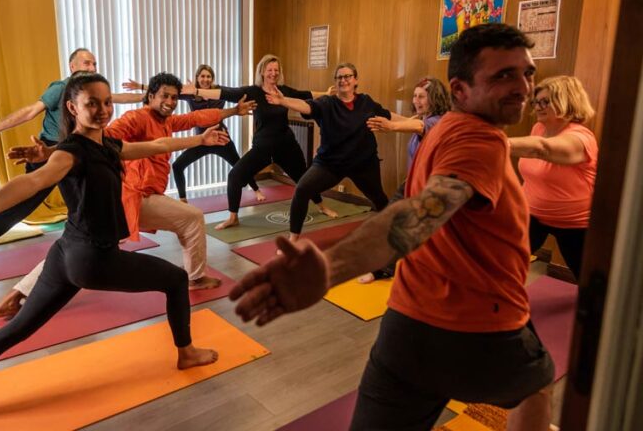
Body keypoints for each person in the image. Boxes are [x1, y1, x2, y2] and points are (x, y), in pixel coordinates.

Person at [229, 24, 555, 431]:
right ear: (459, 89)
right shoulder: (477, 141)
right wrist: (331, 268)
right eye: (503, 75)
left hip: (409, 321)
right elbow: (417, 214)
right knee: (537, 383)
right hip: (481, 325)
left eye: (528, 73)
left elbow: (405, 184)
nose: (523, 86)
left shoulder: (444, 127)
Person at [0, 73, 223, 425]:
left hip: (65, 252)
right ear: (72, 108)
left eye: (106, 102)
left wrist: (199, 138)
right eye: (91, 103)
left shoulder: (107, 145)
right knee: (174, 279)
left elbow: (154, 147)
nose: (102, 110)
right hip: (93, 259)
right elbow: (30, 182)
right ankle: (186, 353)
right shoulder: (71, 153)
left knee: (15, 330)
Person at [0, 72, 256, 318]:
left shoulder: (166, 122)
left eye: (174, 97)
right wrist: (52, 152)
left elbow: (195, 119)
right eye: (164, 95)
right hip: (132, 197)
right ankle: (195, 278)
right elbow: (97, 138)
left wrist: (232, 110)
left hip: (143, 197)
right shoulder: (137, 118)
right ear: (150, 96)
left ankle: (18, 294)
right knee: (188, 219)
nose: (170, 102)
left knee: (74, 250)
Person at [0, 48, 144, 267]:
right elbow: (31, 111)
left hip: (76, 152)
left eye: (94, 64)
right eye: (87, 63)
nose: (92, 68)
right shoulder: (60, 89)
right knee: (19, 206)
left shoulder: (90, 92)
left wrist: (149, 95)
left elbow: (120, 98)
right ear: (72, 66)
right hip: (49, 153)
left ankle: (105, 243)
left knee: (94, 194)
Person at [184, 54, 337, 231]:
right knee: (235, 176)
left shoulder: (283, 91)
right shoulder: (254, 92)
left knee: (303, 178)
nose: (273, 73)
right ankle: (233, 217)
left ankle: (321, 206)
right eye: (269, 70)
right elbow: (226, 92)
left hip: (286, 146)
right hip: (262, 147)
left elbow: (306, 95)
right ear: (262, 72)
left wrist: (325, 94)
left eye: (276, 70)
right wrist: (196, 91)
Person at [264, 62, 391, 243]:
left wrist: (411, 123)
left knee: (379, 199)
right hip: (330, 163)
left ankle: (392, 234)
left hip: (363, 163)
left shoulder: (366, 102)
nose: (343, 80)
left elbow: (389, 116)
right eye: (339, 77)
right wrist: (283, 101)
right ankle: (293, 239)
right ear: (335, 82)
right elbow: (307, 107)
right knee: (302, 190)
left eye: (347, 76)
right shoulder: (327, 103)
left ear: (355, 80)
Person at [124, 64, 265, 203]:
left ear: (212, 79)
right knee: (177, 166)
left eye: (209, 76)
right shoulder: (191, 94)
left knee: (239, 165)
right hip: (201, 140)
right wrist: (141, 86)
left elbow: (235, 94)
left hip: (221, 138)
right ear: (197, 78)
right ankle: (183, 199)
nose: (206, 79)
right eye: (202, 76)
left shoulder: (218, 91)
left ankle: (256, 190)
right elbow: (164, 92)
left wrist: (244, 105)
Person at [360, 76, 451, 283]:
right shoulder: (422, 117)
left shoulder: (438, 122)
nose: (416, 100)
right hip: (412, 182)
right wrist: (385, 118)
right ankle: (384, 267)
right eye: (414, 96)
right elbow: (408, 122)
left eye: (421, 97)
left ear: (434, 98)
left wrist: (390, 127)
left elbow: (419, 127)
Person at [509, 75, 597, 278]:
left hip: (574, 224)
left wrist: (490, 142)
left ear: (566, 100)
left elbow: (541, 149)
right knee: (505, 264)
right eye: (536, 102)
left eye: (545, 101)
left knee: (590, 280)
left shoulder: (582, 138)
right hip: (533, 216)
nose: (538, 107)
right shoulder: (539, 128)